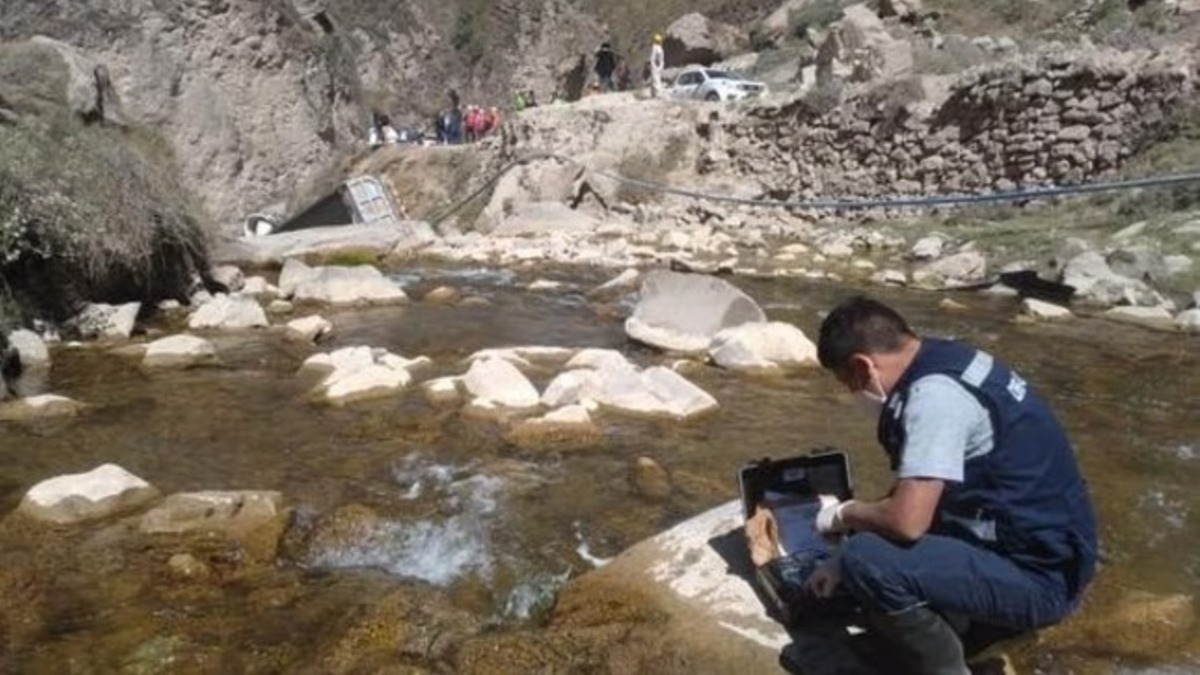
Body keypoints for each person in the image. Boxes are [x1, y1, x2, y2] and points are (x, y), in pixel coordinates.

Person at [806, 296, 1098, 674]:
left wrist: (843, 515)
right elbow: (923, 490)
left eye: (847, 383)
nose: (852, 395)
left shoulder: (934, 399)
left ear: (863, 367)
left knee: (868, 559)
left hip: (1041, 581)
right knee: (865, 560)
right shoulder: (949, 357)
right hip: (1059, 554)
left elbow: (907, 522)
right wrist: (838, 558)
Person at [649, 32, 665, 98]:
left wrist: (653, 65)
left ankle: (656, 94)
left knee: (655, 80)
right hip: (658, 65)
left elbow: (653, 58)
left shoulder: (655, 47)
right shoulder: (659, 48)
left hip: (655, 65)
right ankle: (655, 94)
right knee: (656, 79)